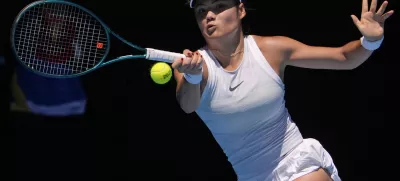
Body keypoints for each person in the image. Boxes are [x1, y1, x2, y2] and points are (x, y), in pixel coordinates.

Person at [172, 0, 393, 180]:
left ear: (240, 10)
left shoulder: (271, 49)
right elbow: (188, 106)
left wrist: (371, 41)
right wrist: (192, 76)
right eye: (201, 10)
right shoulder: (192, 66)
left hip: (295, 160)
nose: (209, 15)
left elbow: (344, 57)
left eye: (219, 6)